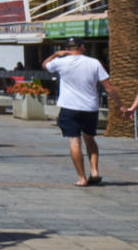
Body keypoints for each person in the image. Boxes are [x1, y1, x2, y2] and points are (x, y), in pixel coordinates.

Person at [43, 40, 122, 187]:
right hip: (90, 108)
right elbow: (108, 87)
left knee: (74, 141)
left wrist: (56, 54)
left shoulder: (61, 62)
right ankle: (94, 171)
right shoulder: (94, 63)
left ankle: (82, 178)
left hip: (69, 107)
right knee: (90, 139)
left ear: (67, 49)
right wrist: (120, 105)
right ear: (83, 47)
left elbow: (45, 65)